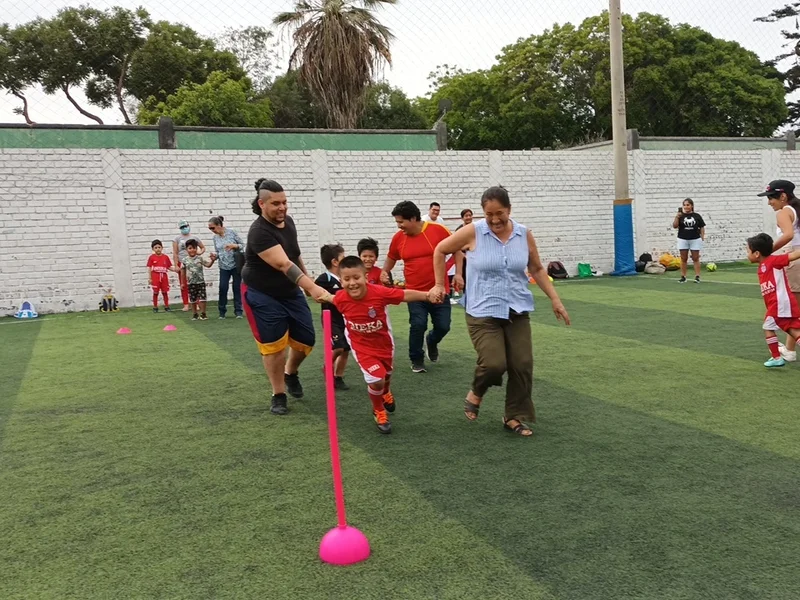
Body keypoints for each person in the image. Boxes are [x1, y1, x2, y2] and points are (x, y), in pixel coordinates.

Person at [432, 186, 570, 437]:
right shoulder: (473, 232)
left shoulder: (523, 234)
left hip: (516, 308)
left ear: (509, 210)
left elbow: (537, 269)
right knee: (494, 364)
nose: (495, 219)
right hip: (482, 310)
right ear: (483, 213)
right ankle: (477, 390)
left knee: (522, 363)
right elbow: (440, 250)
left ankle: (513, 416)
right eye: (489, 214)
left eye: (500, 213)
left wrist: (555, 300)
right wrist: (440, 283)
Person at [241, 178, 331, 416]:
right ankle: (278, 394)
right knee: (273, 346)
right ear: (262, 204)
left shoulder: (288, 222)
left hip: (290, 292)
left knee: (306, 340)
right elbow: (282, 263)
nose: (282, 208)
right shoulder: (258, 232)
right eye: (275, 204)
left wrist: (305, 284)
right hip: (262, 294)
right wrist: (312, 288)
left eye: (285, 202)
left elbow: (293, 254)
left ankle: (290, 373)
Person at [324, 256, 442, 434]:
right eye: (346, 279)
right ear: (341, 281)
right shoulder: (340, 298)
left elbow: (404, 295)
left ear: (365, 276)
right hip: (361, 346)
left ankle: (386, 391)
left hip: (384, 344)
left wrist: (427, 296)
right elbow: (323, 294)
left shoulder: (379, 292)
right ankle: (379, 410)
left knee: (385, 375)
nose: (352, 283)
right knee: (376, 379)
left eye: (356, 277)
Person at [381, 201, 460, 373]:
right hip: (415, 293)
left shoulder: (438, 230)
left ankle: (432, 341)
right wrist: (384, 271)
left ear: (414, 218)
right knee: (417, 324)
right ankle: (416, 359)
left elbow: (458, 249)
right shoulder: (398, 238)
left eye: (401, 222)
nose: (399, 226)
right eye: (397, 222)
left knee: (443, 326)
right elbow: (391, 257)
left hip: (439, 290)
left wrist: (459, 274)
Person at [757, 179, 800, 362]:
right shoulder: (796, 210)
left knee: (793, 313)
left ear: (783, 196)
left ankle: (789, 351)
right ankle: (789, 350)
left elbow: (788, 235)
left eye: (771, 198)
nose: (769, 202)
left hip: (794, 260)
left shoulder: (784, 212)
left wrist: (767, 253)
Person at [745, 232, 800, 368]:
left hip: (779, 303)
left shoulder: (774, 261)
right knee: (793, 330)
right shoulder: (762, 266)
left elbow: (792, 256)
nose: (747, 254)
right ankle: (777, 356)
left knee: (768, 326)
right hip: (779, 304)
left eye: (748, 251)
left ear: (757, 253)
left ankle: (776, 357)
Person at [315, 244, 350, 391]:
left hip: (347, 317)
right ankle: (327, 368)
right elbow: (315, 293)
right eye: (343, 257)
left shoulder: (346, 278)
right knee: (338, 348)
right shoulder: (324, 279)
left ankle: (338, 377)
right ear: (335, 262)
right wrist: (327, 298)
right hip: (331, 319)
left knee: (346, 349)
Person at [208, 215, 245, 319]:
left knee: (236, 288)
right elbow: (218, 252)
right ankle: (222, 311)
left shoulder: (232, 232)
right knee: (223, 287)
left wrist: (234, 246)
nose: (212, 230)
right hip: (223, 266)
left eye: (213, 228)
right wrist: (215, 256)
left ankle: (238, 311)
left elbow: (242, 245)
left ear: (219, 225)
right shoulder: (215, 238)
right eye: (210, 228)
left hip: (235, 265)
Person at [172, 220, 205, 311]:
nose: (184, 229)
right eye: (182, 227)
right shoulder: (177, 239)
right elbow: (175, 252)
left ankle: (196, 302)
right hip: (182, 262)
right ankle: (186, 303)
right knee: (183, 283)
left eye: (185, 226)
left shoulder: (195, 238)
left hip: (193, 262)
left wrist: (199, 253)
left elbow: (202, 247)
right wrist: (175, 265)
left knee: (195, 283)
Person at [672, 198, 706, 283]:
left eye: (688, 205)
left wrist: (702, 237)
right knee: (683, 258)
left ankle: (697, 276)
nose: (686, 207)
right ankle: (683, 276)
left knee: (695, 257)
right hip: (683, 238)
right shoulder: (680, 216)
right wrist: (677, 217)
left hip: (695, 239)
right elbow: (675, 226)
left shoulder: (697, 216)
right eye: (684, 205)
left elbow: (702, 226)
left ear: (692, 206)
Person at [183, 239, 216, 320]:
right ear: (186, 249)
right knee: (193, 299)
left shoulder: (200, 258)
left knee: (203, 298)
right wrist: (183, 283)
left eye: (194, 248)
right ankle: (195, 314)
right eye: (190, 248)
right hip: (191, 283)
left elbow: (208, 265)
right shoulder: (184, 260)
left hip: (200, 282)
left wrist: (212, 260)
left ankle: (203, 313)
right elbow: (182, 272)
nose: (192, 250)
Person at [147, 239, 177, 312]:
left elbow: (169, 267)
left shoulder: (165, 257)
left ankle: (166, 306)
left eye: (159, 247)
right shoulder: (151, 257)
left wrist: (176, 269)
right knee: (155, 292)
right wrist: (150, 278)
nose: (158, 249)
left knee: (165, 292)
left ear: (162, 248)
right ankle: (155, 307)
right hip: (155, 277)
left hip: (164, 277)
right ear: (153, 249)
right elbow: (149, 268)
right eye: (156, 247)